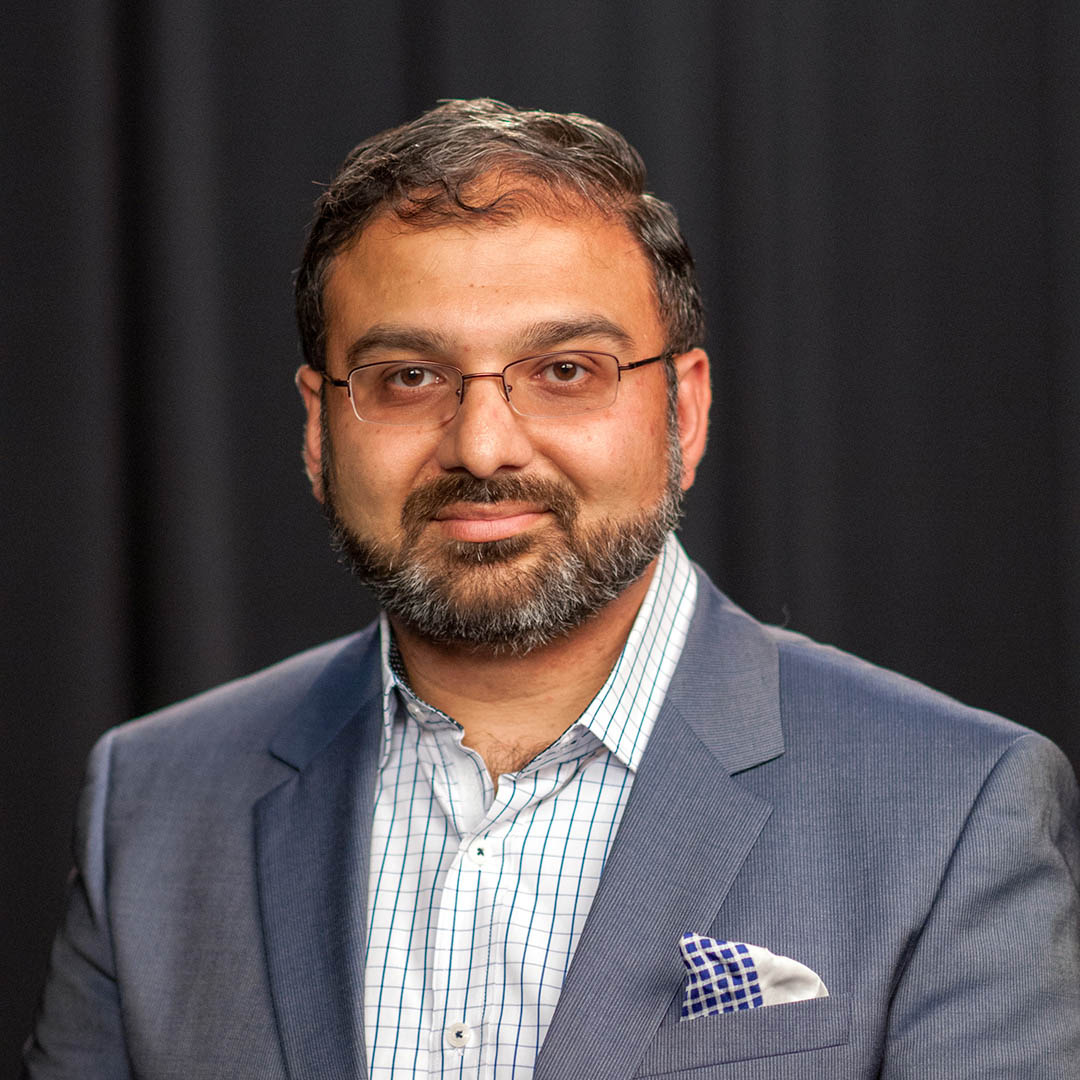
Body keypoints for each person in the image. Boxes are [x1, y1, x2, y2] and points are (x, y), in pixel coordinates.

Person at [23, 98, 1080, 1080]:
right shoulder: (152, 805)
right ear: (317, 427)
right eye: (407, 378)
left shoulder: (953, 810)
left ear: (684, 409)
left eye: (565, 369)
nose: (483, 444)